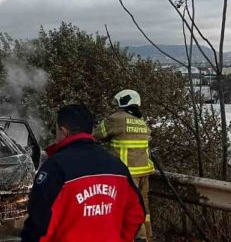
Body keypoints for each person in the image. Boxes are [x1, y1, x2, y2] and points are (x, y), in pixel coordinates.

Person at [21, 104, 145, 242]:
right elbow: (136, 214)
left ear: (63, 131)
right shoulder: (118, 166)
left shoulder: (55, 168)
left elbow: (39, 228)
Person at [94, 89, 154, 242]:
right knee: (143, 206)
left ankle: (135, 238)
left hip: (127, 173)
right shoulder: (142, 122)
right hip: (144, 172)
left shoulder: (116, 119)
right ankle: (147, 236)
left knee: (127, 207)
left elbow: (96, 135)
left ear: (124, 101)